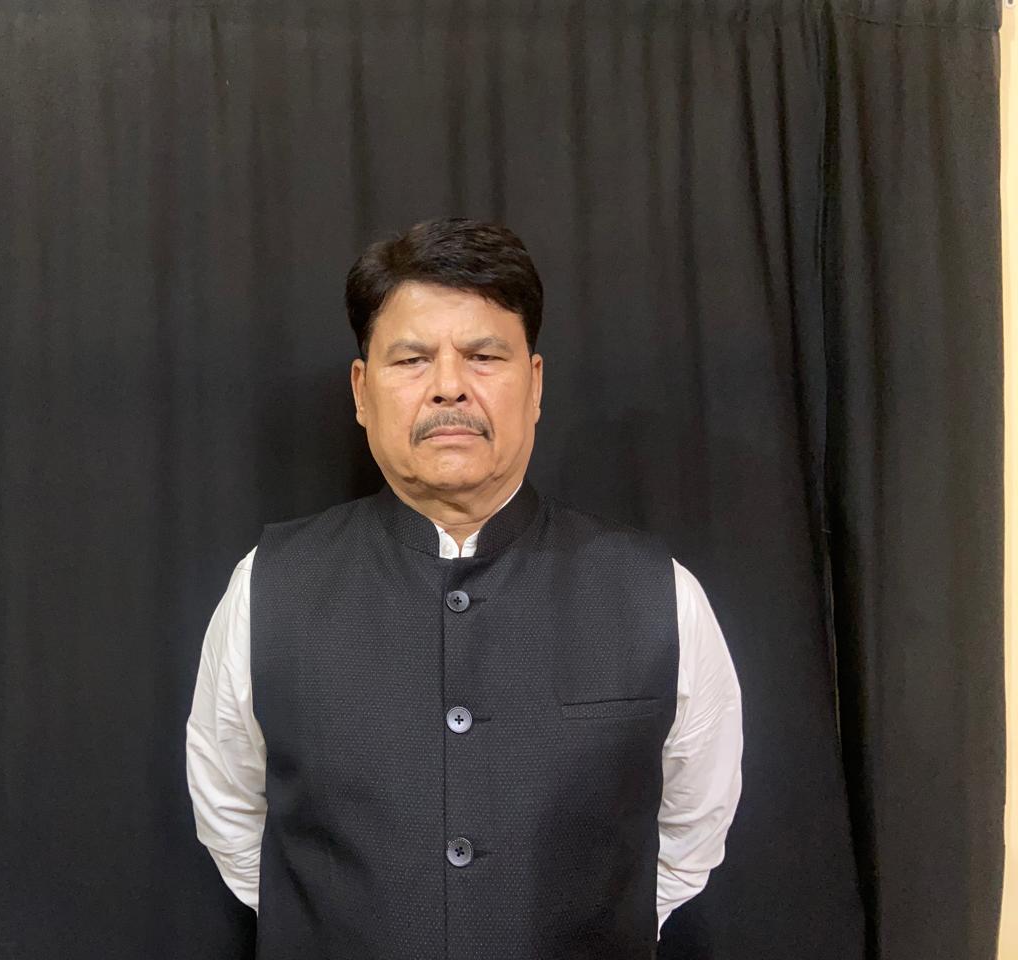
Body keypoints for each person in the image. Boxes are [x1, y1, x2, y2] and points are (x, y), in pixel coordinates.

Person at [185, 217, 743, 959]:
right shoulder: (268, 587)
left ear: (534, 384)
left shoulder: (657, 593)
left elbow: (693, 825)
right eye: (412, 359)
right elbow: (229, 810)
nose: (449, 387)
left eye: (483, 356)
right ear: (362, 392)